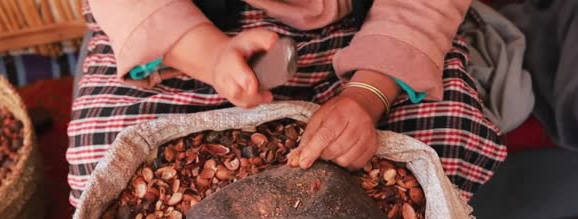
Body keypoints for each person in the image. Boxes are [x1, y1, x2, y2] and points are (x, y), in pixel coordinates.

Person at [67, 0, 506, 207]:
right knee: (104, 166)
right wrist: (211, 55)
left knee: (437, 155)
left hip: (365, 27)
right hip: (185, 29)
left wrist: (368, 94)